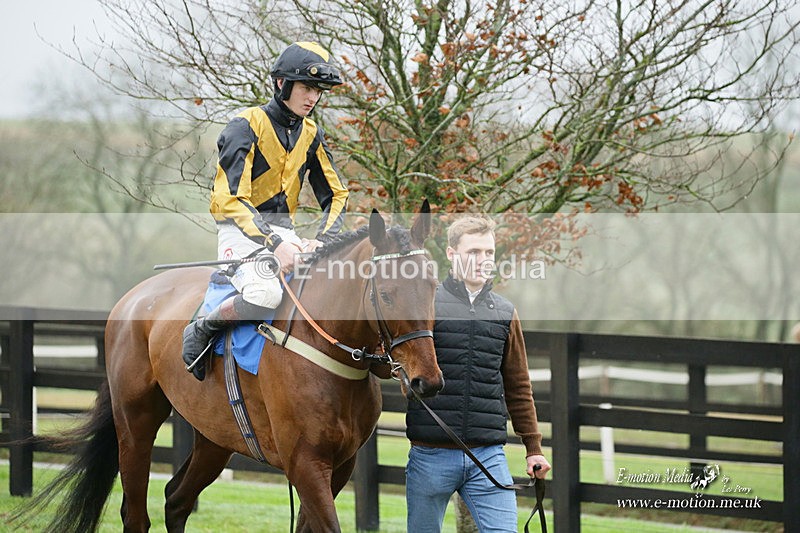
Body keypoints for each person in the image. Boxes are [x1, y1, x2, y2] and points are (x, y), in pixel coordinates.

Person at [182, 41, 349, 380]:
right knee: (265, 293)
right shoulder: (245, 125)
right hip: (239, 232)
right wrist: (276, 243)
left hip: (284, 235)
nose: (312, 98)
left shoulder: (312, 133)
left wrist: (324, 240)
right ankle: (202, 328)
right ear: (281, 84)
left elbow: (337, 194)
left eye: (318, 91)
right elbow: (231, 198)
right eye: (306, 88)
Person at [405, 215, 551, 533]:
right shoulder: (426, 305)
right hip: (431, 454)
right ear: (452, 252)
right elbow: (405, 364)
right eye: (474, 252)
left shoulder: (505, 312)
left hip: (488, 456)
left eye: (488, 252)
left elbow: (518, 385)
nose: (482, 260)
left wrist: (533, 448)